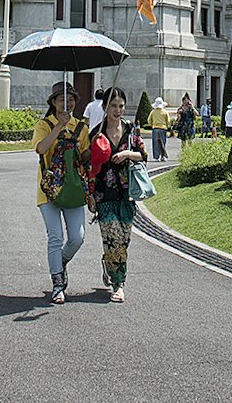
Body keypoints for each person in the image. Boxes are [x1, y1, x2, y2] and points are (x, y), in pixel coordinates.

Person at [30, 81, 91, 304]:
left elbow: (85, 159)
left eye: (71, 98)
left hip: (73, 188)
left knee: (77, 237)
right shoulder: (44, 124)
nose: (67, 102)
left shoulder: (81, 127)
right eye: (62, 99)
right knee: (55, 237)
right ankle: (57, 284)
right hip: (49, 188)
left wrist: (95, 145)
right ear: (53, 103)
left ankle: (61, 262)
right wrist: (58, 128)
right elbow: (41, 148)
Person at [90, 86, 147, 303]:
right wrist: (91, 195)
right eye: (113, 106)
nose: (118, 110)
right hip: (104, 195)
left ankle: (109, 264)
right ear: (104, 107)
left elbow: (143, 155)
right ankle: (119, 284)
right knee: (113, 240)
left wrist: (126, 154)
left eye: (121, 106)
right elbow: (89, 167)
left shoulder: (131, 131)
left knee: (124, 241)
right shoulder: (96, 133)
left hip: (126, 195)